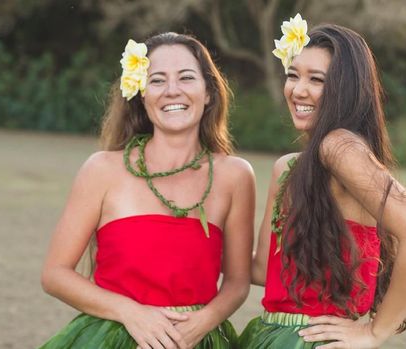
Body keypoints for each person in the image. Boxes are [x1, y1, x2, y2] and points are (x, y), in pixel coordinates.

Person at [38, 32, 255, 349]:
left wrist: (200, 325)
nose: (172, 91)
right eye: (157, 80)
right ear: (141, 94)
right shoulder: (102, 170)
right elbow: (55, 274)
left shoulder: (235, 175)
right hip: (111, 335)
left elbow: (237, 282)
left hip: (196, 338)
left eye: (186, 77)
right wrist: (132, 314)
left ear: (208, 92)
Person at [240, 15, 406, 349]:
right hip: (270, 335)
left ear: (343, 89)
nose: (298, 90)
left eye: (316, 80)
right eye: (293, 75)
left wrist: (375, 331)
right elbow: (263, 270)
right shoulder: (287, 168)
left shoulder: (338, 146)